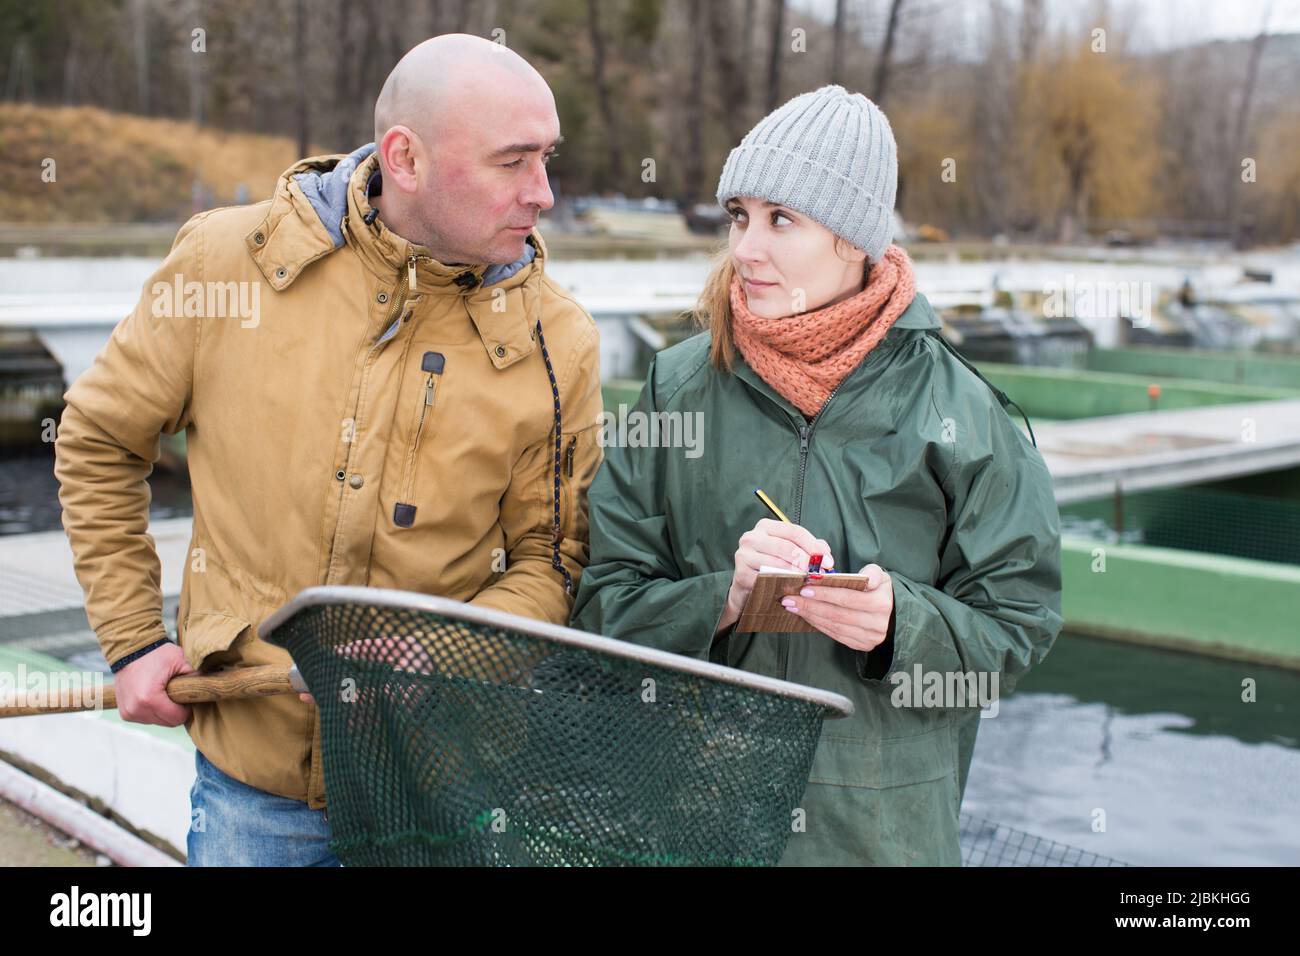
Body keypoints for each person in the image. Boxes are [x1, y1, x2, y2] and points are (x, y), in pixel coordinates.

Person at [54, 34, 603, 866]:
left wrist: (445, 656)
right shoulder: (222, 264)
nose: (545, 193)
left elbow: (554, 556)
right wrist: (132, 639)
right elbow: (98, 442)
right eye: (513, 162)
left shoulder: (559, 339)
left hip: (439, 795)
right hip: (252, 789)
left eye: (547, 158)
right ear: (406, 158)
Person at [570, 85, 1063, 865]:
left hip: (877, 840)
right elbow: (600, 607)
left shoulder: (965, 411)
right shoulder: (677, 387)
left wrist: (900, 623)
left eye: (782, 220)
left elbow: (1019, 623)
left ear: (854, 239)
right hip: (690, 830)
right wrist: (719, 601)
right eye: (740, 216)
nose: (746, 248)